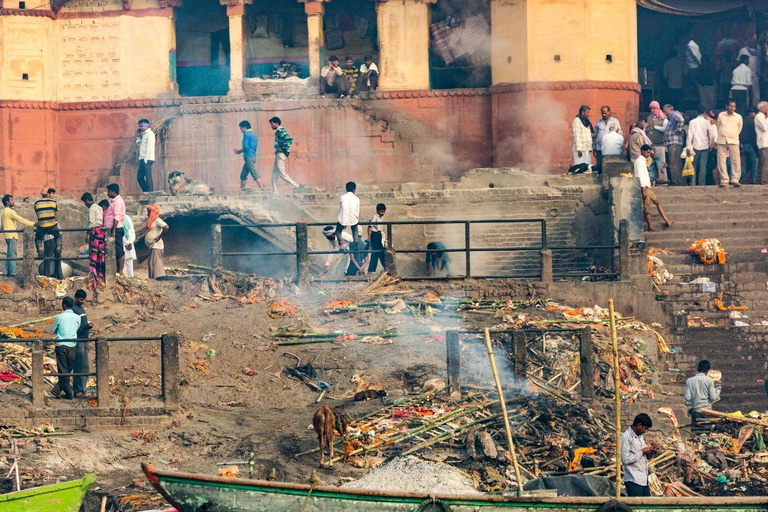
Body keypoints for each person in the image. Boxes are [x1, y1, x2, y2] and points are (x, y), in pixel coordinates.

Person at [635, 145, 674, 232]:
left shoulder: (643, 161)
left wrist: (653, 155)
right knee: (647, 208)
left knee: (658, 202)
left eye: (649, 152)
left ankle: (667, 221)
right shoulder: (639, 162)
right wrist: (643, 190)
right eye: (647, 152)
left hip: (647, 186)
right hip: (644, 187)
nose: (648, 154)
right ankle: (650, 226)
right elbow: (640, 176)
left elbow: (655, 159)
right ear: (642, 151)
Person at [620, 413, 659, 497]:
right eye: (645, 428)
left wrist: (652, 451)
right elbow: (625, 459)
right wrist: (642, 451)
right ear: (639, 425)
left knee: (646, 507)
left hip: (643, 480)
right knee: (637, 508)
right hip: (633, 480)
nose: (645, 431)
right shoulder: (626, 437)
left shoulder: (640, 436)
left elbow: (645, 457)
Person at [51, 296, 82, 400]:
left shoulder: (59, 317)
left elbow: (54, 330)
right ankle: (57, 390)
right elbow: (76, 329)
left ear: (64, 305)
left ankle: (69, 393)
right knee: (68, 370)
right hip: (72, 346)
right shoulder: (78, 317)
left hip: (61, 346)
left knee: (63, 370)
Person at [2, 195, 35, 277]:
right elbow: (20, 219)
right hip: (12, 235)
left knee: (9, 254)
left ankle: (6, 271)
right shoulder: (9, 211)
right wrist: (33, 224)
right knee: (13, 254)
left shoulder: (2, 211)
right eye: (12, 200)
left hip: (6, 235)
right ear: (7, 202)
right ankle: (13, 273)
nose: (13, 202)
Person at [34, 186, 62, 279]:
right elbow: (56, 215)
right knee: (58, 236)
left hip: (42, 226)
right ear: (48, 194)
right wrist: (53, 222)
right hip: (52, 226)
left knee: (38, 238)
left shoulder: (36, 203)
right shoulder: (54, 203)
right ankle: (58, 246)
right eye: (52, 194)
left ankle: (40, 249)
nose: (53, 196)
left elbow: (38, 214)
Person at [269, 117, 300, 195]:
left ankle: (296, 186)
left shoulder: (280, 131)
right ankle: (275, 193)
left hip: (280, 154)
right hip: (278, 155)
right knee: (274, 176)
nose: (271, 125)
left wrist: (282, 148)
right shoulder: (278, 131)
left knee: (282, 174)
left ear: (276, 123)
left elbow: (288, 139)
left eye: (272, 124)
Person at [686, 107, 717, 186]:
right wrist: (711, 144)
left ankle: (692, 182)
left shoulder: (692, 122)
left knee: (694, 165)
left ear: (697, 112)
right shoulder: (707, 122)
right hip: (705, 146)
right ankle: (701, 183)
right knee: (703, 165)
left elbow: (690, 135)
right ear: (704, 113)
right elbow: (712, 135)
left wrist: (688, 146)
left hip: (695, 146)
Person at [71, 289, 93, 398]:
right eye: (80, 299)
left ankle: (83, 388)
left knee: (85, 366)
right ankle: (77, 390)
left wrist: (87, 341)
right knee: (79, 365)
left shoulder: (81, 309)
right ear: (75, 298)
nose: (82, 301)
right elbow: (76, 328)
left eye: (84, 300)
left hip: (84, 341)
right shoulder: (74, 310)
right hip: (78, 341)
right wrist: (87, 327)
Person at [685, 359, 721, 425]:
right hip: (707, 411)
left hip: (695, 411)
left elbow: (687, 398)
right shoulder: (709, 381)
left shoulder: (689, 381)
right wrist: (717, 392)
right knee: (706, 431)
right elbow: (713, 397)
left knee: (696, 431)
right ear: (707, 371)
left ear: (698, 369)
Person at [717, 100, 743, 187]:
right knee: (721, 160)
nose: (732, 108)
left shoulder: (738, 117)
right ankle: (724, 180)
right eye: (731, 106)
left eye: (734, 107)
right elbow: (718, 126)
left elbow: (739, 128)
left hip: (733, 140)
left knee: (736, 160)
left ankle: (735, 179)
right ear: (727, 106)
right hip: (722, 140)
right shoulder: (721, 115)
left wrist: (733, 135)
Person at [234, 120, 262, 190]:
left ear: (245, 127)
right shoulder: (253, 135)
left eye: (241, 128)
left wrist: (239, 151)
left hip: (249, 157)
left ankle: (262, 189)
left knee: (254, 173)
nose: (240, 130)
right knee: (243, 175)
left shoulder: (246, 134)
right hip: (252, 156)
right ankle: (242, 191)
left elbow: (246, 147)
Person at [104, 184, 126, 274]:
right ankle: (117, 271)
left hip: (116, 229)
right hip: (112, 229)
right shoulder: (114, 202)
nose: (108, 193)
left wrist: (113, 231)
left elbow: (116, 217)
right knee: (115, 251)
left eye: (109, 191)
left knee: (119, 250)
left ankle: (120, 272)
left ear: (113, 191)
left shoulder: (118, 202)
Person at [593, 106, 622, 173]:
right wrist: (594, 147)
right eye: (602, 113)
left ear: (609, 112)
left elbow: (620, 133)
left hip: (609, 148)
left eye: (605, 113)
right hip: (599, 147)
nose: (603, 115)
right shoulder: (599, 122)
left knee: (609, 167)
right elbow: (595, 134)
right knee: (600, 166)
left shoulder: (615, 121)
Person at [663, 104, 686, 186]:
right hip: (672, 143)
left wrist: (678, 130)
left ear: (670, 110)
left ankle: (676, 182)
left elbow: (681, 120)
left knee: (674, 163)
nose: (665, 113)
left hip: (674, 143)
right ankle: (678, 181)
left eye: (666, 111)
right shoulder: (670, 118)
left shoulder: (674, 114)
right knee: (676, 163)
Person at [647, 101, 669, 184]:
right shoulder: (649, 117)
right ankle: (653, 181)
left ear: (658, 108)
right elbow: (648, 129)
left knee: (661, 162)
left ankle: (663, 180)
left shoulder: (664, 117)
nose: (652, 110)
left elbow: (664, 129)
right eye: (651, 109)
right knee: (651, 163)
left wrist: (655, 126)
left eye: (654, 108)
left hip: (660, 143)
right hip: (651, 143)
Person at [145, 204, 168, 280]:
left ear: (152, 212)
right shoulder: (153, 221)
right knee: (152, 263)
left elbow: (166, 227)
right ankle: (153, 280)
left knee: (156, 265)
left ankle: (158, 280)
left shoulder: (158, 220)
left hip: (157, 246)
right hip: (153, 246)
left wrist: (159, 237)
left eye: (148, 212)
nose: (147, 214)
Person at [738, 37, 761, 108]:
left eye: (754, 42)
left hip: (755, 74)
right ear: (748, 43)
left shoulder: (758, 52)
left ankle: (756, 106)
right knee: (746, 91)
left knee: (756, 91)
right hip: (745, 73)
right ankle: (746, 106)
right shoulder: (743, 50)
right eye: (751, 42)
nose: (753, 43)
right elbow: (738, 61)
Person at [136, 119, 156, 193]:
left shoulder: (150, 134)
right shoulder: (143, 134)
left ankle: (150, 192)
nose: (141, 128)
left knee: (148, 176)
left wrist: (146, 159)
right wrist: (138, 136)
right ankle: (146, 192)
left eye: (142, 126)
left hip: (147, 158)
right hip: (142, 158)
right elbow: (140, 145)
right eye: (140, 126)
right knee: (139, 177)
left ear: (146, 125)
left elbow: (150, 147)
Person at [741, 108, 759, 184]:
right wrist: (757, 147)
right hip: (751, 145)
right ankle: (752, 182)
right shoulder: (752, 122)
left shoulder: (742, 121)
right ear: (751, 113)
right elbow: (753, 136)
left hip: (744, 145)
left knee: (747, 165)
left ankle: (739, 178)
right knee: (754, 165)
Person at [367, 203, 386, 273]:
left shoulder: (381, 218)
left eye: (384, 211)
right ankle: (386, 268)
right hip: (374, 235)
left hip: (379, 235)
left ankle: (371, 270)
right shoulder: (375, 217)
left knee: (377, 253)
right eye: (381, 211)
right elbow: (369, 227)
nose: (382, 213)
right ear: (377, 211)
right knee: (378, 252)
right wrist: (369, 237)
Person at [756, 101, 768, 184]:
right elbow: (764, 128)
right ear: (761, 108)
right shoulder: (759, 117)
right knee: (765, 163)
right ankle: (764, 181)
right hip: (763, 143)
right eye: (766, 107)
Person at [123, 214, 137, 278]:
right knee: (128, 264)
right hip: (128, 243)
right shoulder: (127, 217)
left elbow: (130, 231)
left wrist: (128, 242)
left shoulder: (122, 218)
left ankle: (128, 279)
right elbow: (132, 231)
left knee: (125, 264)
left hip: (125, 243)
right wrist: (130, 242)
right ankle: (129, 278)